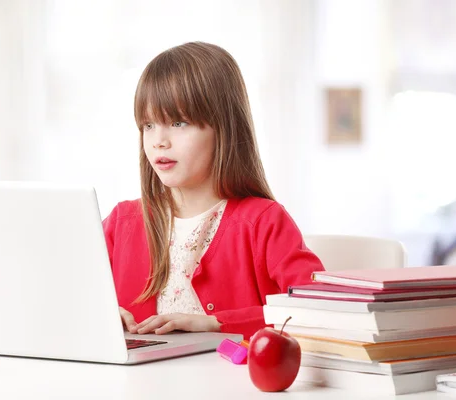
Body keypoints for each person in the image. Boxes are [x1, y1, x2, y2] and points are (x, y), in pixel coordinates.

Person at [102, 41, 324, 339]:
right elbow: (65, 294)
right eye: (148, 125)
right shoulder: (122, 222)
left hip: (230, 383)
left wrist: (215, 322)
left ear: (224, 127)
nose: (159, 141)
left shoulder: (264, 221)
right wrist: (99, 314)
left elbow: (318, 308)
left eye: (178, 122)